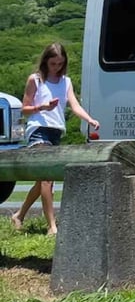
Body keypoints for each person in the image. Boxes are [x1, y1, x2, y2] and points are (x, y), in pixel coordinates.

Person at [11, 43, 99, 236]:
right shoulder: (35, 80)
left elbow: (74, 105)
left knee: (42, 179)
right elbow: (24, 109)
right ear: (45, 61)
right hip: (38, 130)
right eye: (53, 63)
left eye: (60, 64)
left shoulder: (66, 81)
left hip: (56, 131)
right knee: (47, 179)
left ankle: (19, 215)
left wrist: (89, 119)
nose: (56, 67)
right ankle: (52, 226)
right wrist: (41, 107)